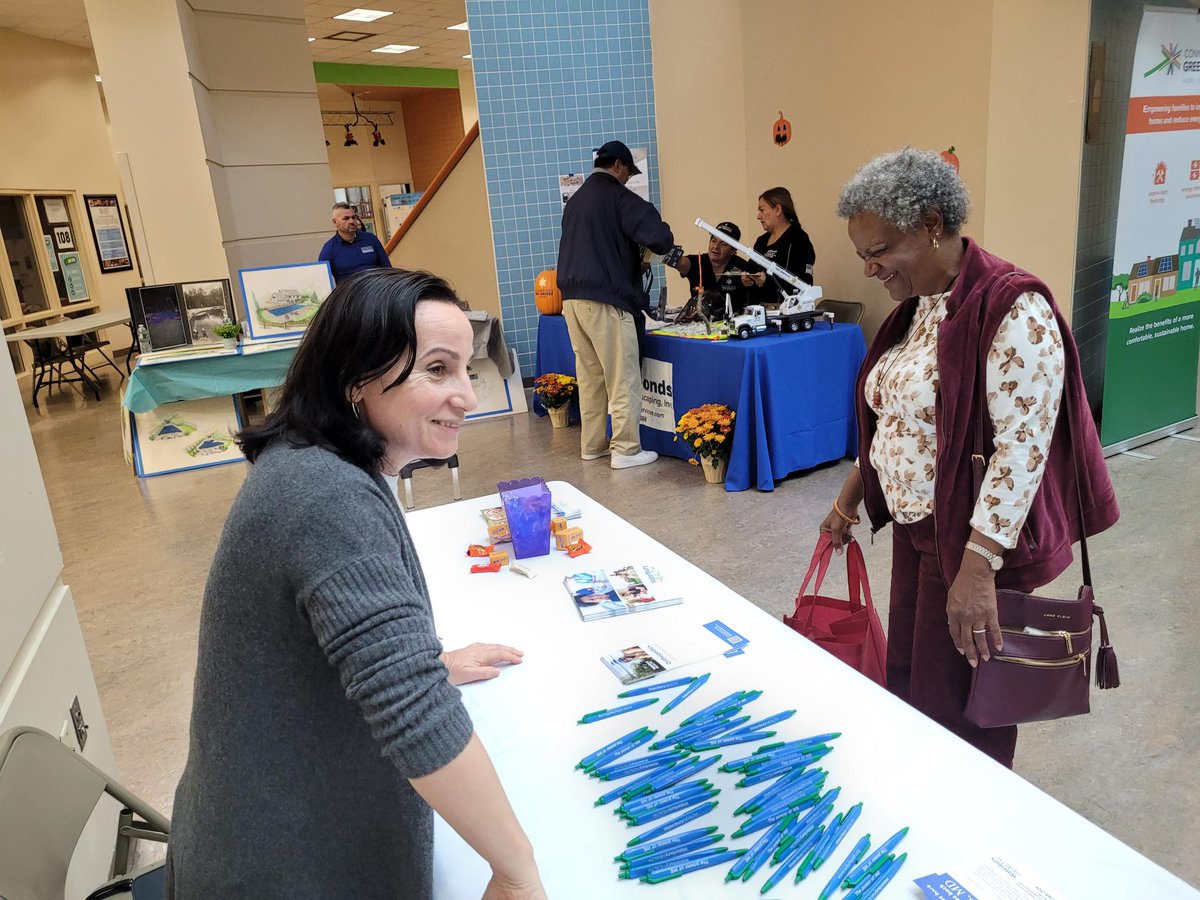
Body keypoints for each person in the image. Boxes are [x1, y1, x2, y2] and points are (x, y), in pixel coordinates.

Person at [166, 269, 546, 900]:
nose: (468, 397)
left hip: (262, 833)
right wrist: (516, 870)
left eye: (465, 370)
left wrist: (427, 663)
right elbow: (416, 713)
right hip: (282, 870)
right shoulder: (326, 497)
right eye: (436, 369)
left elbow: (332, 644)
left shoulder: (311, 466)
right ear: (355, 381)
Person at [819, 148, 1119, 768]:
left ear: (932, 223)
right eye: (862, 256)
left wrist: (977, 571)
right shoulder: (924, 304)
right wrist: (848, 500)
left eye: (880, 251)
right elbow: (902, 420)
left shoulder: (1014, 307)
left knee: (960, 710)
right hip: (916, 533)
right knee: (911, 685)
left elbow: (1022, 452)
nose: (871, 269)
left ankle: (964, 836)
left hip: (970, 543)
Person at [557, 139, 676, 470]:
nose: (627, 179)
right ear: (619, 166)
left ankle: (592, 445)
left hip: (571, 300)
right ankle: (625, 449)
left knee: (591, 376)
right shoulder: (619, 197)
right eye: (628, 172)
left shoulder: (577, 200)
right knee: (622, 377)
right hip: (606, 300)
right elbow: (660, 237)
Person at [741, 187, 816, 306]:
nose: (758, 216)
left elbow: (802, 281)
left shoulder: (798, 239)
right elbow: (751, 268)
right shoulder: (761, 241)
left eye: (762, 210)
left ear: (778, 209)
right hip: (759, 310)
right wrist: (747, 279)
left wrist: (766, 281)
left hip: (786, 311)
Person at [675, 221, 748, 317]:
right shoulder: (698, 262)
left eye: (723, 244)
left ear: (733, 250)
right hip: (700, 324)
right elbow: (680, 262)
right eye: (713, 241)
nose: (716, 247)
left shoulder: (743, 267)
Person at [318, 201, 393, 284]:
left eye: (353, 217)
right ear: (335, 222)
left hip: (375, 291)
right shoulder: (329, 248)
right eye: (346, 218)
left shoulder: (370, 239)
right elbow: (322, 279)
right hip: (349, 294)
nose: (351, 221)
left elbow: (387, 268)